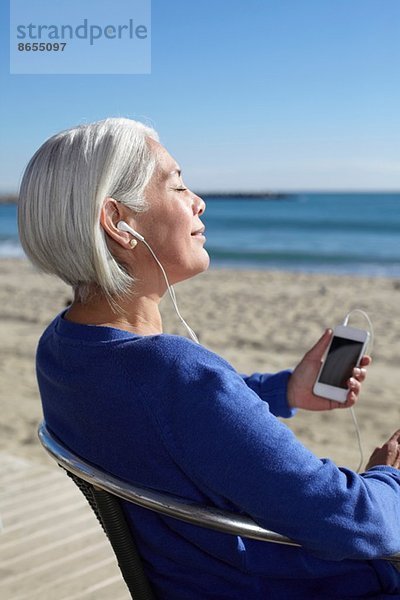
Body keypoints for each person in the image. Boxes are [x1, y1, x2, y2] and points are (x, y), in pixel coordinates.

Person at [18, 117, 400, 599]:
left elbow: (164, 416)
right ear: (119, 223)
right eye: (177, 184)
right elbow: (356, 521)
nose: (199, 201)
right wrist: (388, 476)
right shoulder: (173, 373)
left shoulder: (62, 349)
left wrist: (283, 390)